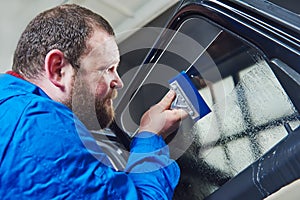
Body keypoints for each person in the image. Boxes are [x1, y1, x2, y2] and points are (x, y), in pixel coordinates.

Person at [0, 4, 187, 199]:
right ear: (58, 69)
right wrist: (151, 136)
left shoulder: (9, 106)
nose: (119, 82)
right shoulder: (36, 127)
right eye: (107, 68)